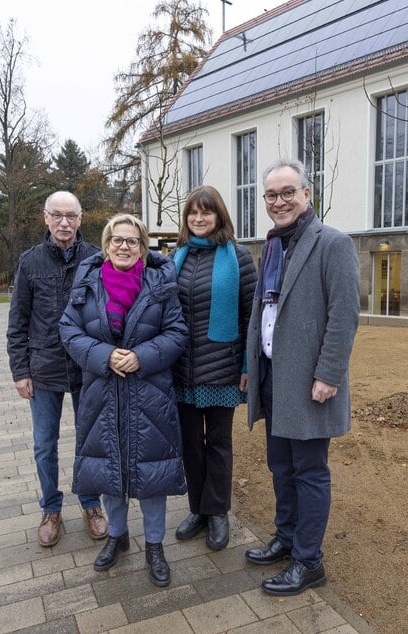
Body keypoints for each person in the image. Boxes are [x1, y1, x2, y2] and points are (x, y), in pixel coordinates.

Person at [244, 158, 360, 596]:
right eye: (271, 195)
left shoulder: (332, 243)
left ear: (307, 194)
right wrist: (250, 369)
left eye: (288, 192)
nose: (279, 201)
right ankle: (287, 537)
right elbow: (263, 313)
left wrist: (329, 374)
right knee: (280, 466)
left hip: (311, 381)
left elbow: (344, 316)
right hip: (274, 376)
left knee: (309, 471)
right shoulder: (272, 245)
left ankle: (308, 561)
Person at [59, 214, 188, 587]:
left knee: (151, 472)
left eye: (132, 241)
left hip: (149, 392)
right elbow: (68, 329)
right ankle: (117, 536)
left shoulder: (160, 283)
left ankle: (155, 546)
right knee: (108, 468)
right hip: (102, 392)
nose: (124, 246)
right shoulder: (88, 283)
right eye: (117, 239)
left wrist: (142, 356)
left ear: (143, 247)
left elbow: (177, 332)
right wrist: (103, 355)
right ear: (106, 243)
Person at [7, 191, 108, 548]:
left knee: (90, 440)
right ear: (45, 218)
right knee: (44, 445)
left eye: (71, 216)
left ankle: (91, 505)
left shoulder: (97, 258)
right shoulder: (30, 262)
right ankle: (50, 509)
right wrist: (21, 371)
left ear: (80, 219)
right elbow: (17, 322)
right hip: (43, 368)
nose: (64, 223)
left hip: (88, 368)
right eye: (57, 215)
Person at [171, 186, 257, 551]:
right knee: (190, 444)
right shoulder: (176, 257)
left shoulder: (238, 257)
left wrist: (248, 365)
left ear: (219, 216)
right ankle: (198, 510)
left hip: (222, 367)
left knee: (219, 443)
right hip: (182, 370)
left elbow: (252, 316)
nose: (199, 218)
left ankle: (218, 512)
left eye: (206, 212)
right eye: (193, 212)